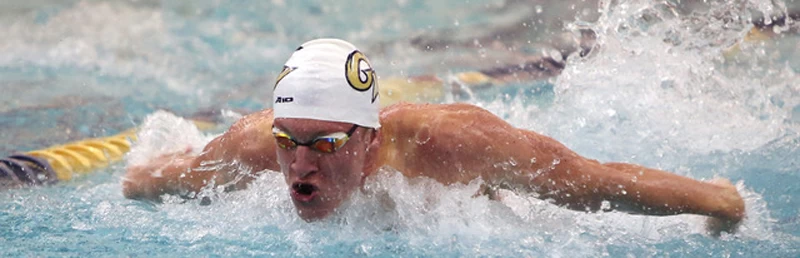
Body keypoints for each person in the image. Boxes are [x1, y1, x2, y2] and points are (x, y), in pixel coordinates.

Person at [122, 38, 745, 233]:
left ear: (369, 138)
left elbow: (592, 182)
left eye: (327, 144)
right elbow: (169, 178)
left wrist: (719, 202)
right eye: (290, 141)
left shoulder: (454, 145)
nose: (300, 165)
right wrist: (137, 182)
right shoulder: (257, 144)